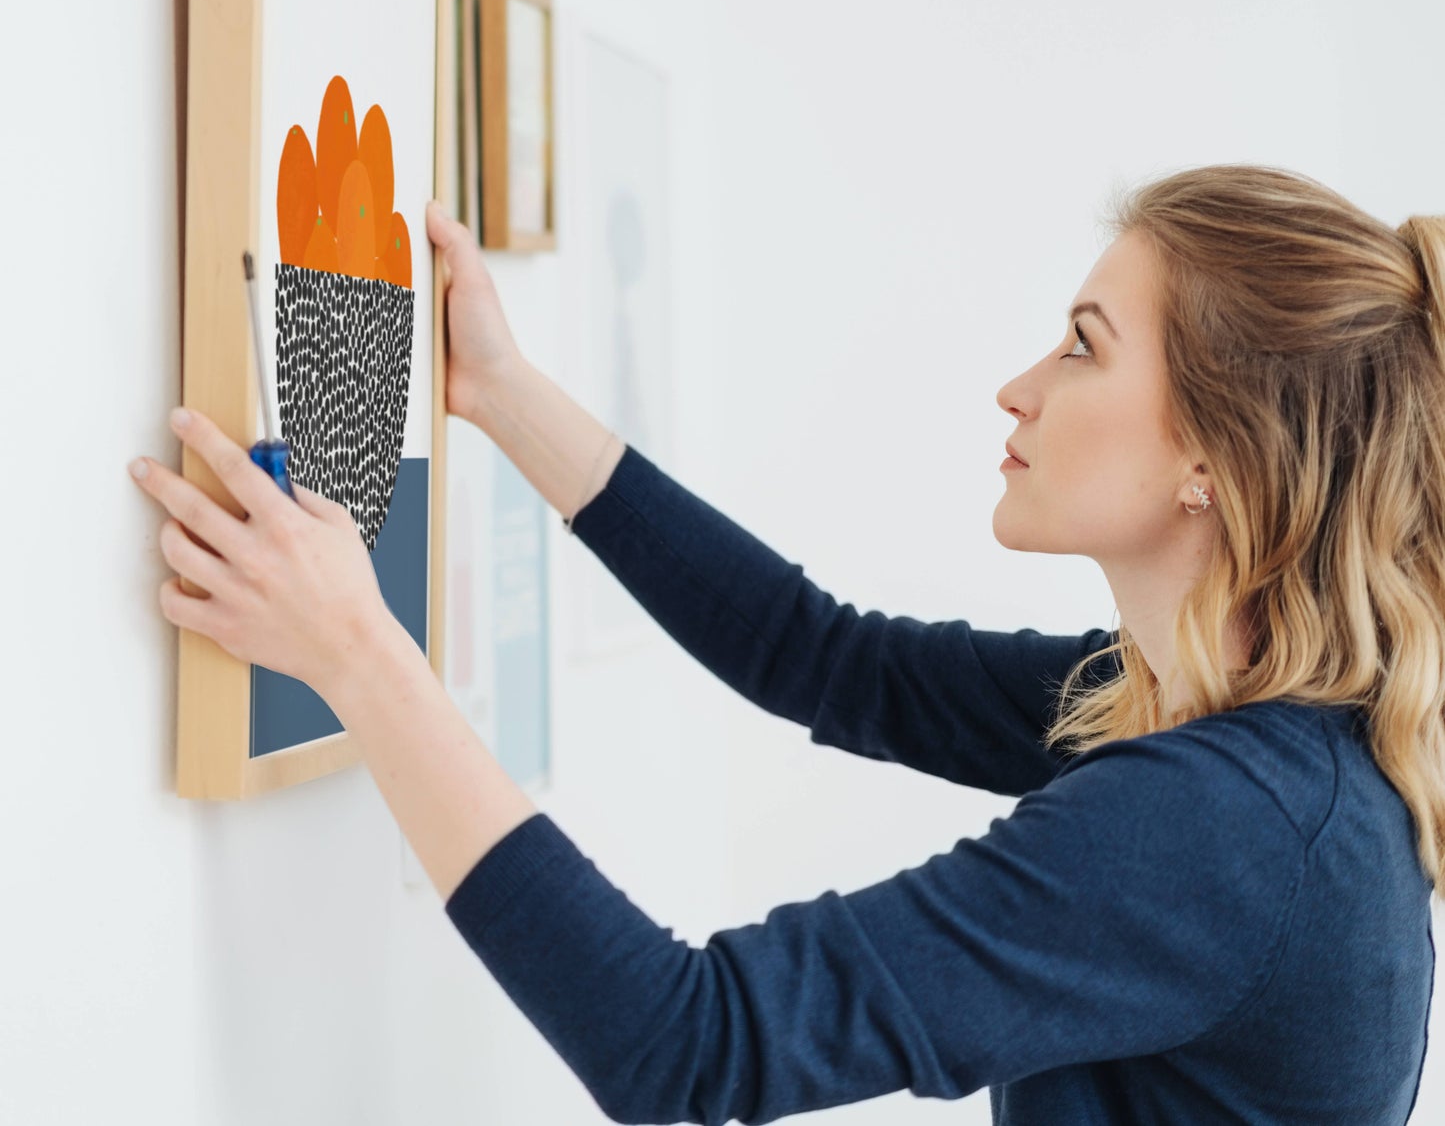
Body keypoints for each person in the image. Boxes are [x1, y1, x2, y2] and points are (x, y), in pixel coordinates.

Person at [129, 164, 1438, 1124]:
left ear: (1216, 456)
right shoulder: (1222, 735)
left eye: (1081, 348)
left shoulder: (1224, 829)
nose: (1020, 387)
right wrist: (506, 395)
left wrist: (362, 657)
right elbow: (825, 657)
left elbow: (678, 1039)